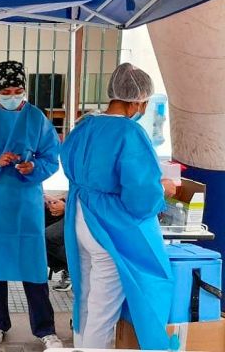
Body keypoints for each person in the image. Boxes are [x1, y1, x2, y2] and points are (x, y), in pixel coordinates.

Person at [60, 63, 177, 349]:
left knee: (86, 297)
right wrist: (163, 189)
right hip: (107, 227)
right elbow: (141, 197)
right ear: (137, 101)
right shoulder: (129, 134)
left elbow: (68, 162)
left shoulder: (85, 125)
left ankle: (80, 344)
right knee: (104, 308)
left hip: (80, 217)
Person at [0, 61, 63, 348]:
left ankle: (45, 329)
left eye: (18, 90)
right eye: (6, 91)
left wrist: (34, 166)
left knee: (33, 267)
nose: (13, 95)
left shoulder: (37, 119)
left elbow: (50, 157)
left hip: (24, 205)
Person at [44, 194, 71, 292]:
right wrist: (60, 200)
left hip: (86, 213)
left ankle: (75, 269)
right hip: (74, 204)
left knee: (45, 238)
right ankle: (70, 269)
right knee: (42, 214)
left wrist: (67, 206)